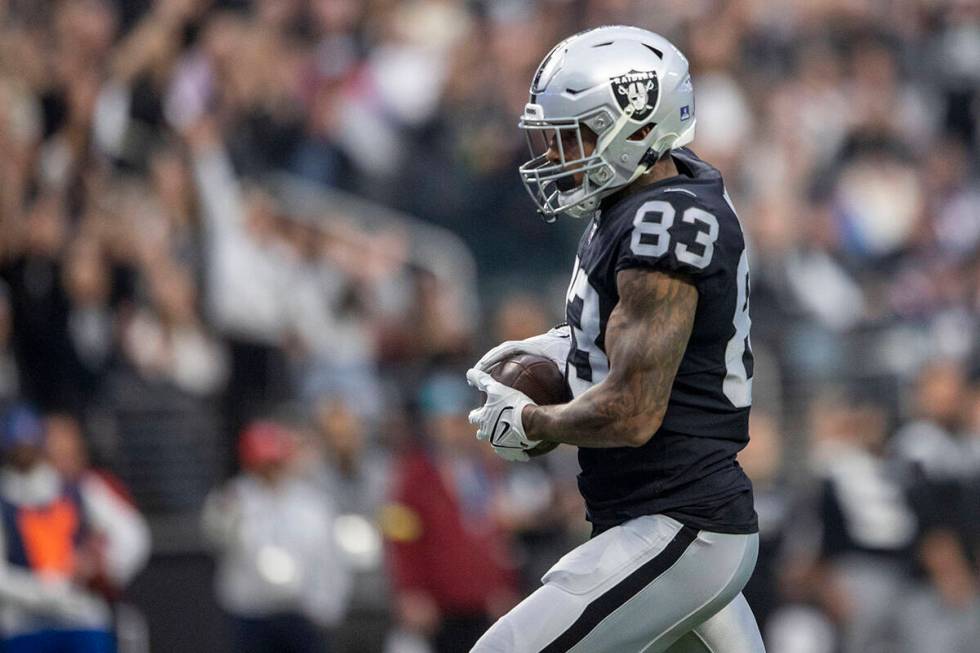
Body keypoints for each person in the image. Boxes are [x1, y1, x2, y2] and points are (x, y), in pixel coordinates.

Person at [466, 26, 764, 652]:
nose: (554, 156)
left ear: (634, 126)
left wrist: (533, 420)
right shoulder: (650, 195)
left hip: (680, 522)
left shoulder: (666, 221)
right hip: (663, 521)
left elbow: (632, 412)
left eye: (572, 135)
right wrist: (568, 346)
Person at [201, 419, 351, 653]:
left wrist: (329, 604)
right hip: (250, 613)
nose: (269, 471)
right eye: (262, 464)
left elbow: (329, 557)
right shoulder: (233, 498)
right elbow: (215, 537)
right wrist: (225, 512)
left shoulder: (311, 503)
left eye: (274, 463)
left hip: (302, 612)